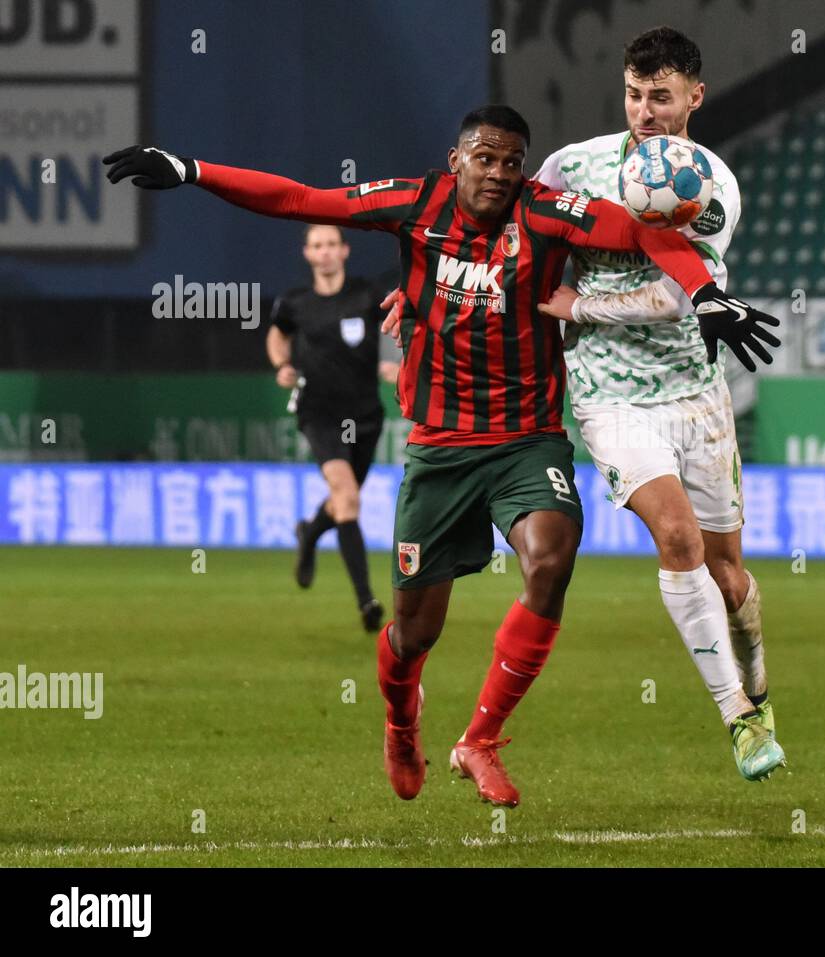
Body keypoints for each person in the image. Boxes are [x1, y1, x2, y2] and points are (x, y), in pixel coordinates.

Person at [103, 103, 780, 807]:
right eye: (483, 159)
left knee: (550, 559)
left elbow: (641, 232)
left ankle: (480, 740)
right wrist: (190, 170)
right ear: (455, 161)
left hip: (526, 439)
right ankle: (401, 721)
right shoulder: (413, 204)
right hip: (440, 449)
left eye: (511, 162)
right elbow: (302, 198)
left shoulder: (547, 212)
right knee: (413, 631)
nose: (497, 174)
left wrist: (706, 295)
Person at [533, 27, 785, 780]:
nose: (646, 111)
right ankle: (739, 719)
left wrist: (579, 308)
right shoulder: (571, 166)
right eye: (636, 95)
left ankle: (759, 683)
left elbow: (680, 297)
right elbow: (518, 235)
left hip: (695, 393)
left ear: (694, 98)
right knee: (675, 537)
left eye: (662, 97)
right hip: (612, 395)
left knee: (730, 577)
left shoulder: (711, 188)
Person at [266, 223, 399, 631]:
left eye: (330, 244)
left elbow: (396, 326)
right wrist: (282, 365)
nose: (323, 252)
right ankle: (367, 602)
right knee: (346, 495)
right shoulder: (294, 302)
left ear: (344, 250)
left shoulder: (368, 294)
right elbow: (277, 335)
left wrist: (394, 360)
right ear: (307, 254)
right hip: (319, 414)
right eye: (316, 245)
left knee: (345, 500)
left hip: (365, 416)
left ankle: (309, 534)